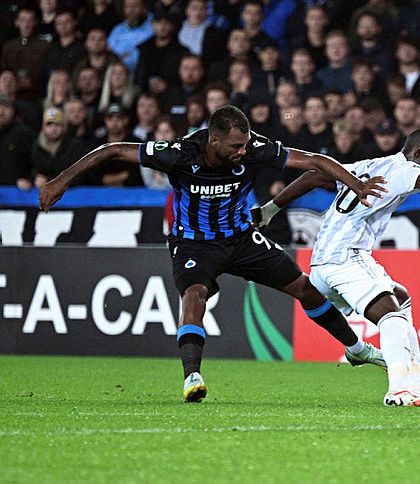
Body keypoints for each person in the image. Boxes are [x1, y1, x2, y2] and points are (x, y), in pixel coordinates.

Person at [38, 105, 388, 403]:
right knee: (195, 294)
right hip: (193, 242)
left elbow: (313, 159)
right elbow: (112, 150)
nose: (242, 152)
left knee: (305, 289)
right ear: (214, 140)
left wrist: (356, 184)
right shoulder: (178, 153)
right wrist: (61, 180)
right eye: (235, 146)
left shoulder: (254, 149)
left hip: (241, 238)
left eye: (245, 145)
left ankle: (356, 349)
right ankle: (192, 376)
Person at [252, 126, 420, 406]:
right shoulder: (404, 170)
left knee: (400, 299)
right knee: (391, 315)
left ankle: (416, 383)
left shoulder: (370, 165)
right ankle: (399, 389)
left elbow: (314, 176)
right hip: (345, 257)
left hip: (322, 261)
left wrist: (270, 209)